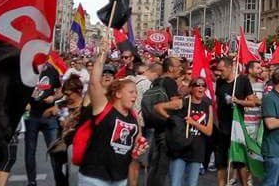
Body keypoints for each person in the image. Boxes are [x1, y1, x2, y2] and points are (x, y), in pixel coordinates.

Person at [79, 36, 148, 185]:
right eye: (131, 92)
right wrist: (102, 55)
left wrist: (139, 149)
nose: (135, 95)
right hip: (94, 178)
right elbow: (94, 83)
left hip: (119, 179)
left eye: (136, 92)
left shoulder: (134, 117)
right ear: (117, 93)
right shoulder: (103, 108)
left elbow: (137, 145)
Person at [167, 77, 213, 186]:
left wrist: (194, 123)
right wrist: (173, 121)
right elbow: (160, 109)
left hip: (197, 151)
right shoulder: (182, 103)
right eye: (197, 85)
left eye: (203, 85)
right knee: (175, 183)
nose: (201, 87)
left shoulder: (208, 106)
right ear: (191, 88)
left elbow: (209, 131)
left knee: (192, 184)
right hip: (180, 150)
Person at [25, 59, 63, 186]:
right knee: (30, 151)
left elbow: (60, 91)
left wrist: (54, 97)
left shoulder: (52, 71)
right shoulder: (28, 71)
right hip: (32, 116)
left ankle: (59, 180)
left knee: (54, 151)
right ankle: (32, 181)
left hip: (49, 116)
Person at [213, 57, 250, 186]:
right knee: (221, 163)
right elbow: (217, 103)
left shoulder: (243, 81)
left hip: (235, 126)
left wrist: (238, 101)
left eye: (221, 70)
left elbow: (252, 101)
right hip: (222, 127)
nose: (219, 73)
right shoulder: (219, 82)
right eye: (218, 70)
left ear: (230, 68)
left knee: (239, 162)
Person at [147, 57, 183, 186]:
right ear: (171, 68)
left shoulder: (157, 81)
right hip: (166, 127)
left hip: (156, 125)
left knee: (154, 163)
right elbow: (175, 103)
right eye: (178, 66)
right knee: (162, 164)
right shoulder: (169, 82)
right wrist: (182, 99)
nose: (181, 68)